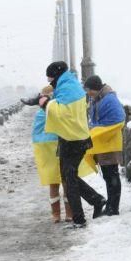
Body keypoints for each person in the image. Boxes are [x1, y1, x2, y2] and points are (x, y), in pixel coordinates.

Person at [22, 61, 106, 228]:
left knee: (69, 180)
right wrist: (41, 101)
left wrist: (44, 103)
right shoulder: (70, 85)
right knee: (69, 177)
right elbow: (59, 104)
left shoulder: (67, 89)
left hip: (73, 140)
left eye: (51, 79)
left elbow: (60, 113)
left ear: (57, 75)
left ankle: (79, 219)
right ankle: (96, 200)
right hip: (75, 138)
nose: (50, 83)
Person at [31, 85, 96, 223]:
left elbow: (36, 134)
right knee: (66, 182)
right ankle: (68, 213)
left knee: (54, 183)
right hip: (61, 148)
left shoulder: (43, 113)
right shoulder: (58, 110)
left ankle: (56, 215)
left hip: (48, 151)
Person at [83, 75, 126, 216]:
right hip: (104, 144)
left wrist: (98, 129)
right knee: (109, 176)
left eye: (89, 90)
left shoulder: (109, 99)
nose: (88, 93)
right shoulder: (99, 98)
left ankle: (113, 208)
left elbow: (118, 118)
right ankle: (111, 206)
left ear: (95, 88)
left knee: (112, 175)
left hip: (109, 143)